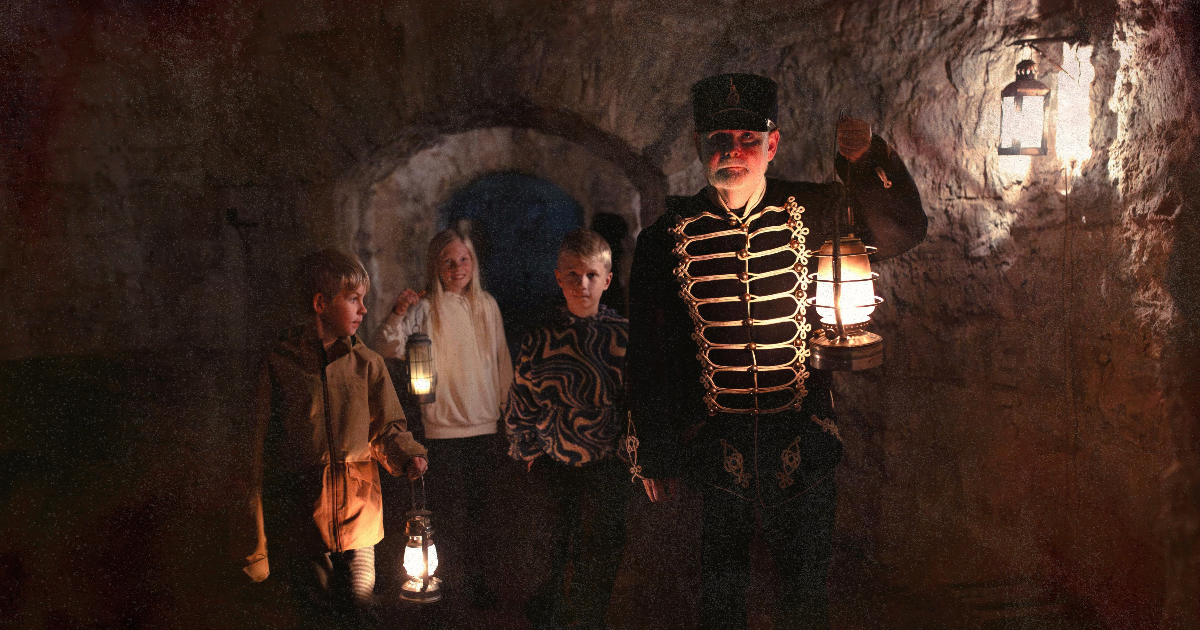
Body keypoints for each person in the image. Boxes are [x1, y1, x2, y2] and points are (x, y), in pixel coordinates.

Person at [626, 73, 927, 630]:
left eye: (747, 138)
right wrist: (655, 448)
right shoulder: (665, 236)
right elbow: (647, 351)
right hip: (713, 442)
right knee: (719, 591)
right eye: (718, 140)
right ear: (701, 148)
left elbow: (904, 229)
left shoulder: (816, 211)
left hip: (802, 433)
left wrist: (867, 159)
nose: (732, 152)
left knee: (806, 588)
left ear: (772, 144)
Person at [235, 248, 429, 626]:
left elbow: (387, 427)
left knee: (359, 606)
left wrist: (407, 456)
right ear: (321, 303)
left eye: (364, 300)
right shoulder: (281, 363)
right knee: (316, 612)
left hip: (360, 516)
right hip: (306, 520)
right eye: (353, 299)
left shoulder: (367, 364)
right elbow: (259, 442)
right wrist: (254, 523)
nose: (363, 310)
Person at [374, 228, 513, 608]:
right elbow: (386, 345)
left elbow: (502, 364)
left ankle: (481, 584)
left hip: (485, 426)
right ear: (436, 265)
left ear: (474, 263)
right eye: (448, 262)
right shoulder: (424, 308)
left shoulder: (486, 305)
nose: (457, 268)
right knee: (450, 513)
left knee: (484, 513)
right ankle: (450, 584)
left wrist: (509, 418)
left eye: (464, 259)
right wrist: (399, 311)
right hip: (441, 430)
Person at [505, 228, 631, 630]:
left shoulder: (622, 336)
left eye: (592, 275)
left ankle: (587, 617)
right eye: (573, 275)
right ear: (559, 278)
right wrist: (529, 454)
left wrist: (631, 454)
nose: (583, 284)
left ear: (607, 280)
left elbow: (633, 404)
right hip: (553, 460)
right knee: (552, 546)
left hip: (606, 462)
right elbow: (521, 399)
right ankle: (550, 612)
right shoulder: (541, 338)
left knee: (601, 550)